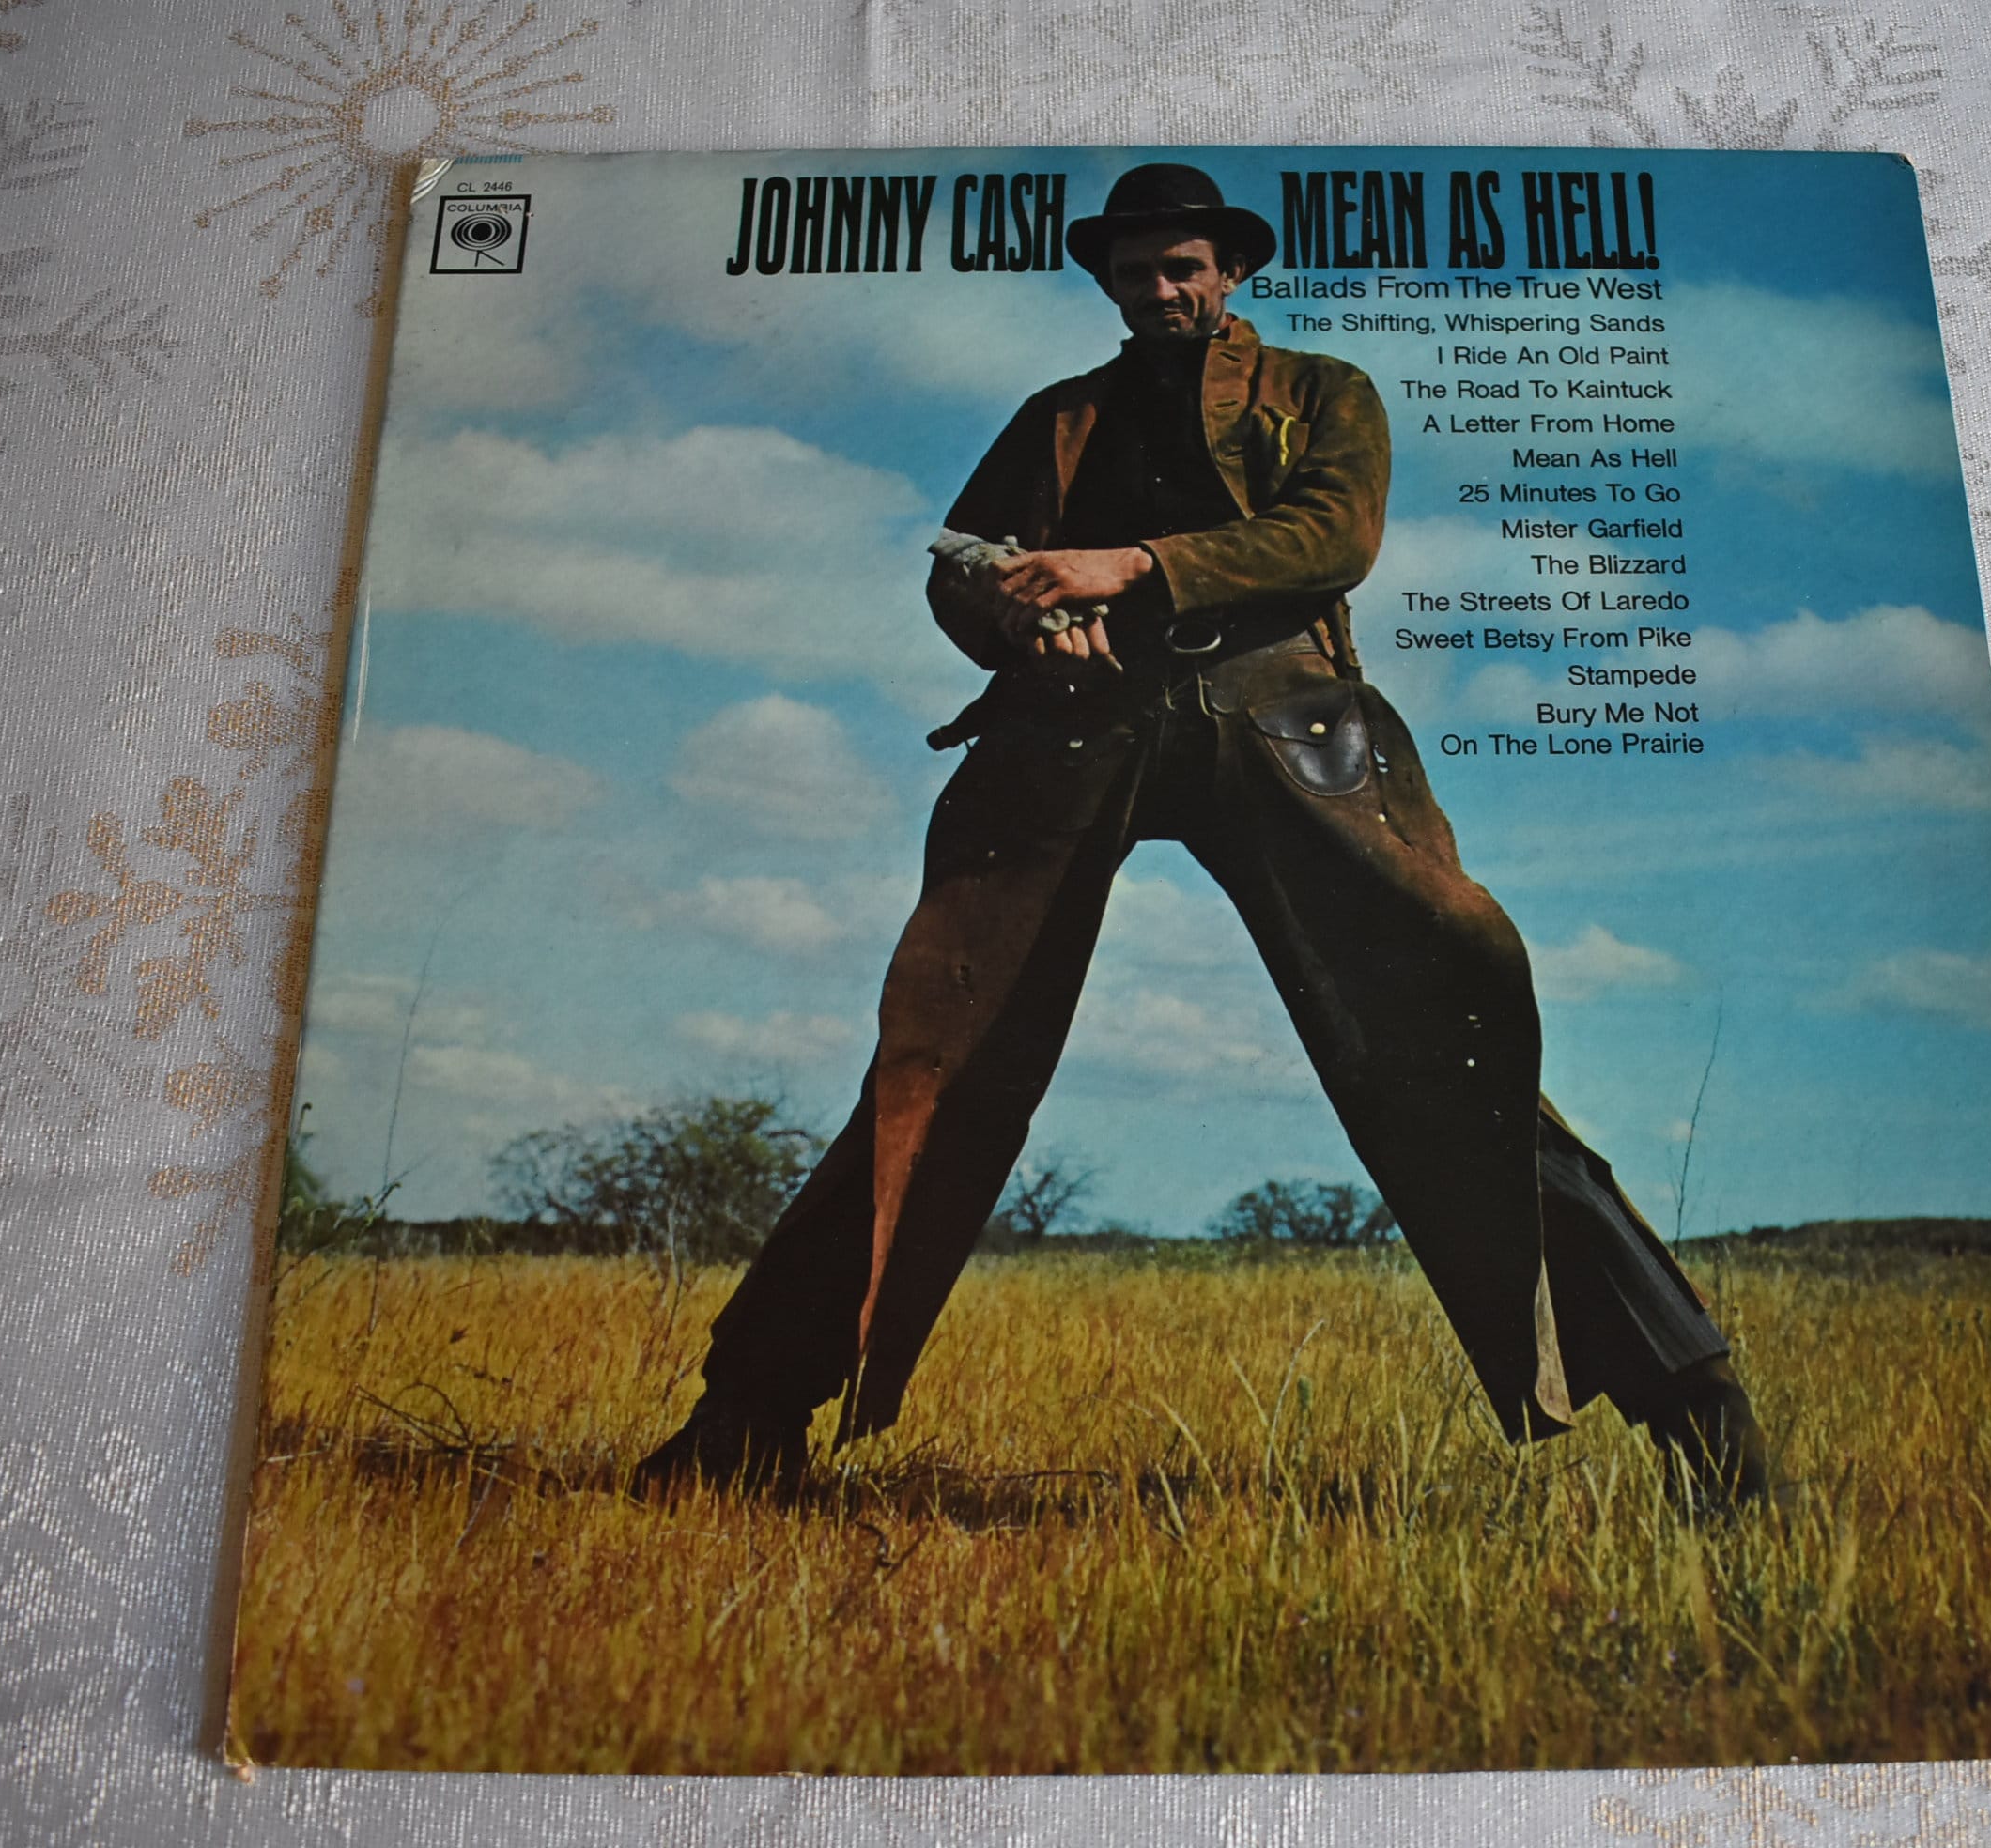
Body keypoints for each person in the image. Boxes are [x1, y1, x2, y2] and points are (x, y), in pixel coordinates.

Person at [636, 163, 1768, 1506]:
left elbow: (1332, 535)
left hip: (1280, 719)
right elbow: (962, 560)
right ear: (1109, 282)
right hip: (1073, 729)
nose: (1161, 289)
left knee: (1448, 1049)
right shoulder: (1059, 413)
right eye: (1137, 272)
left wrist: (1132, 565)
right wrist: (1025, 621)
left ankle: (1703, 1422)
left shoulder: (1323, 391)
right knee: (937, 1063)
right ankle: (743, 1422)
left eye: (1183, 267)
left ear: (1230, 272)